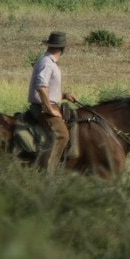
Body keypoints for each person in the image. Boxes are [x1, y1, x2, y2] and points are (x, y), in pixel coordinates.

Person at [28, 31, 77, 174]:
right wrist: (49, 107)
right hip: (42, 107)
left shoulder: (48, 61)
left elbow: (47, 89)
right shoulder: (47, 63)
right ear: (63, 49)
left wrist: (63, 95)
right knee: (62, 135)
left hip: (47, 104)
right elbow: (41, 86)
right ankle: (48, 174)